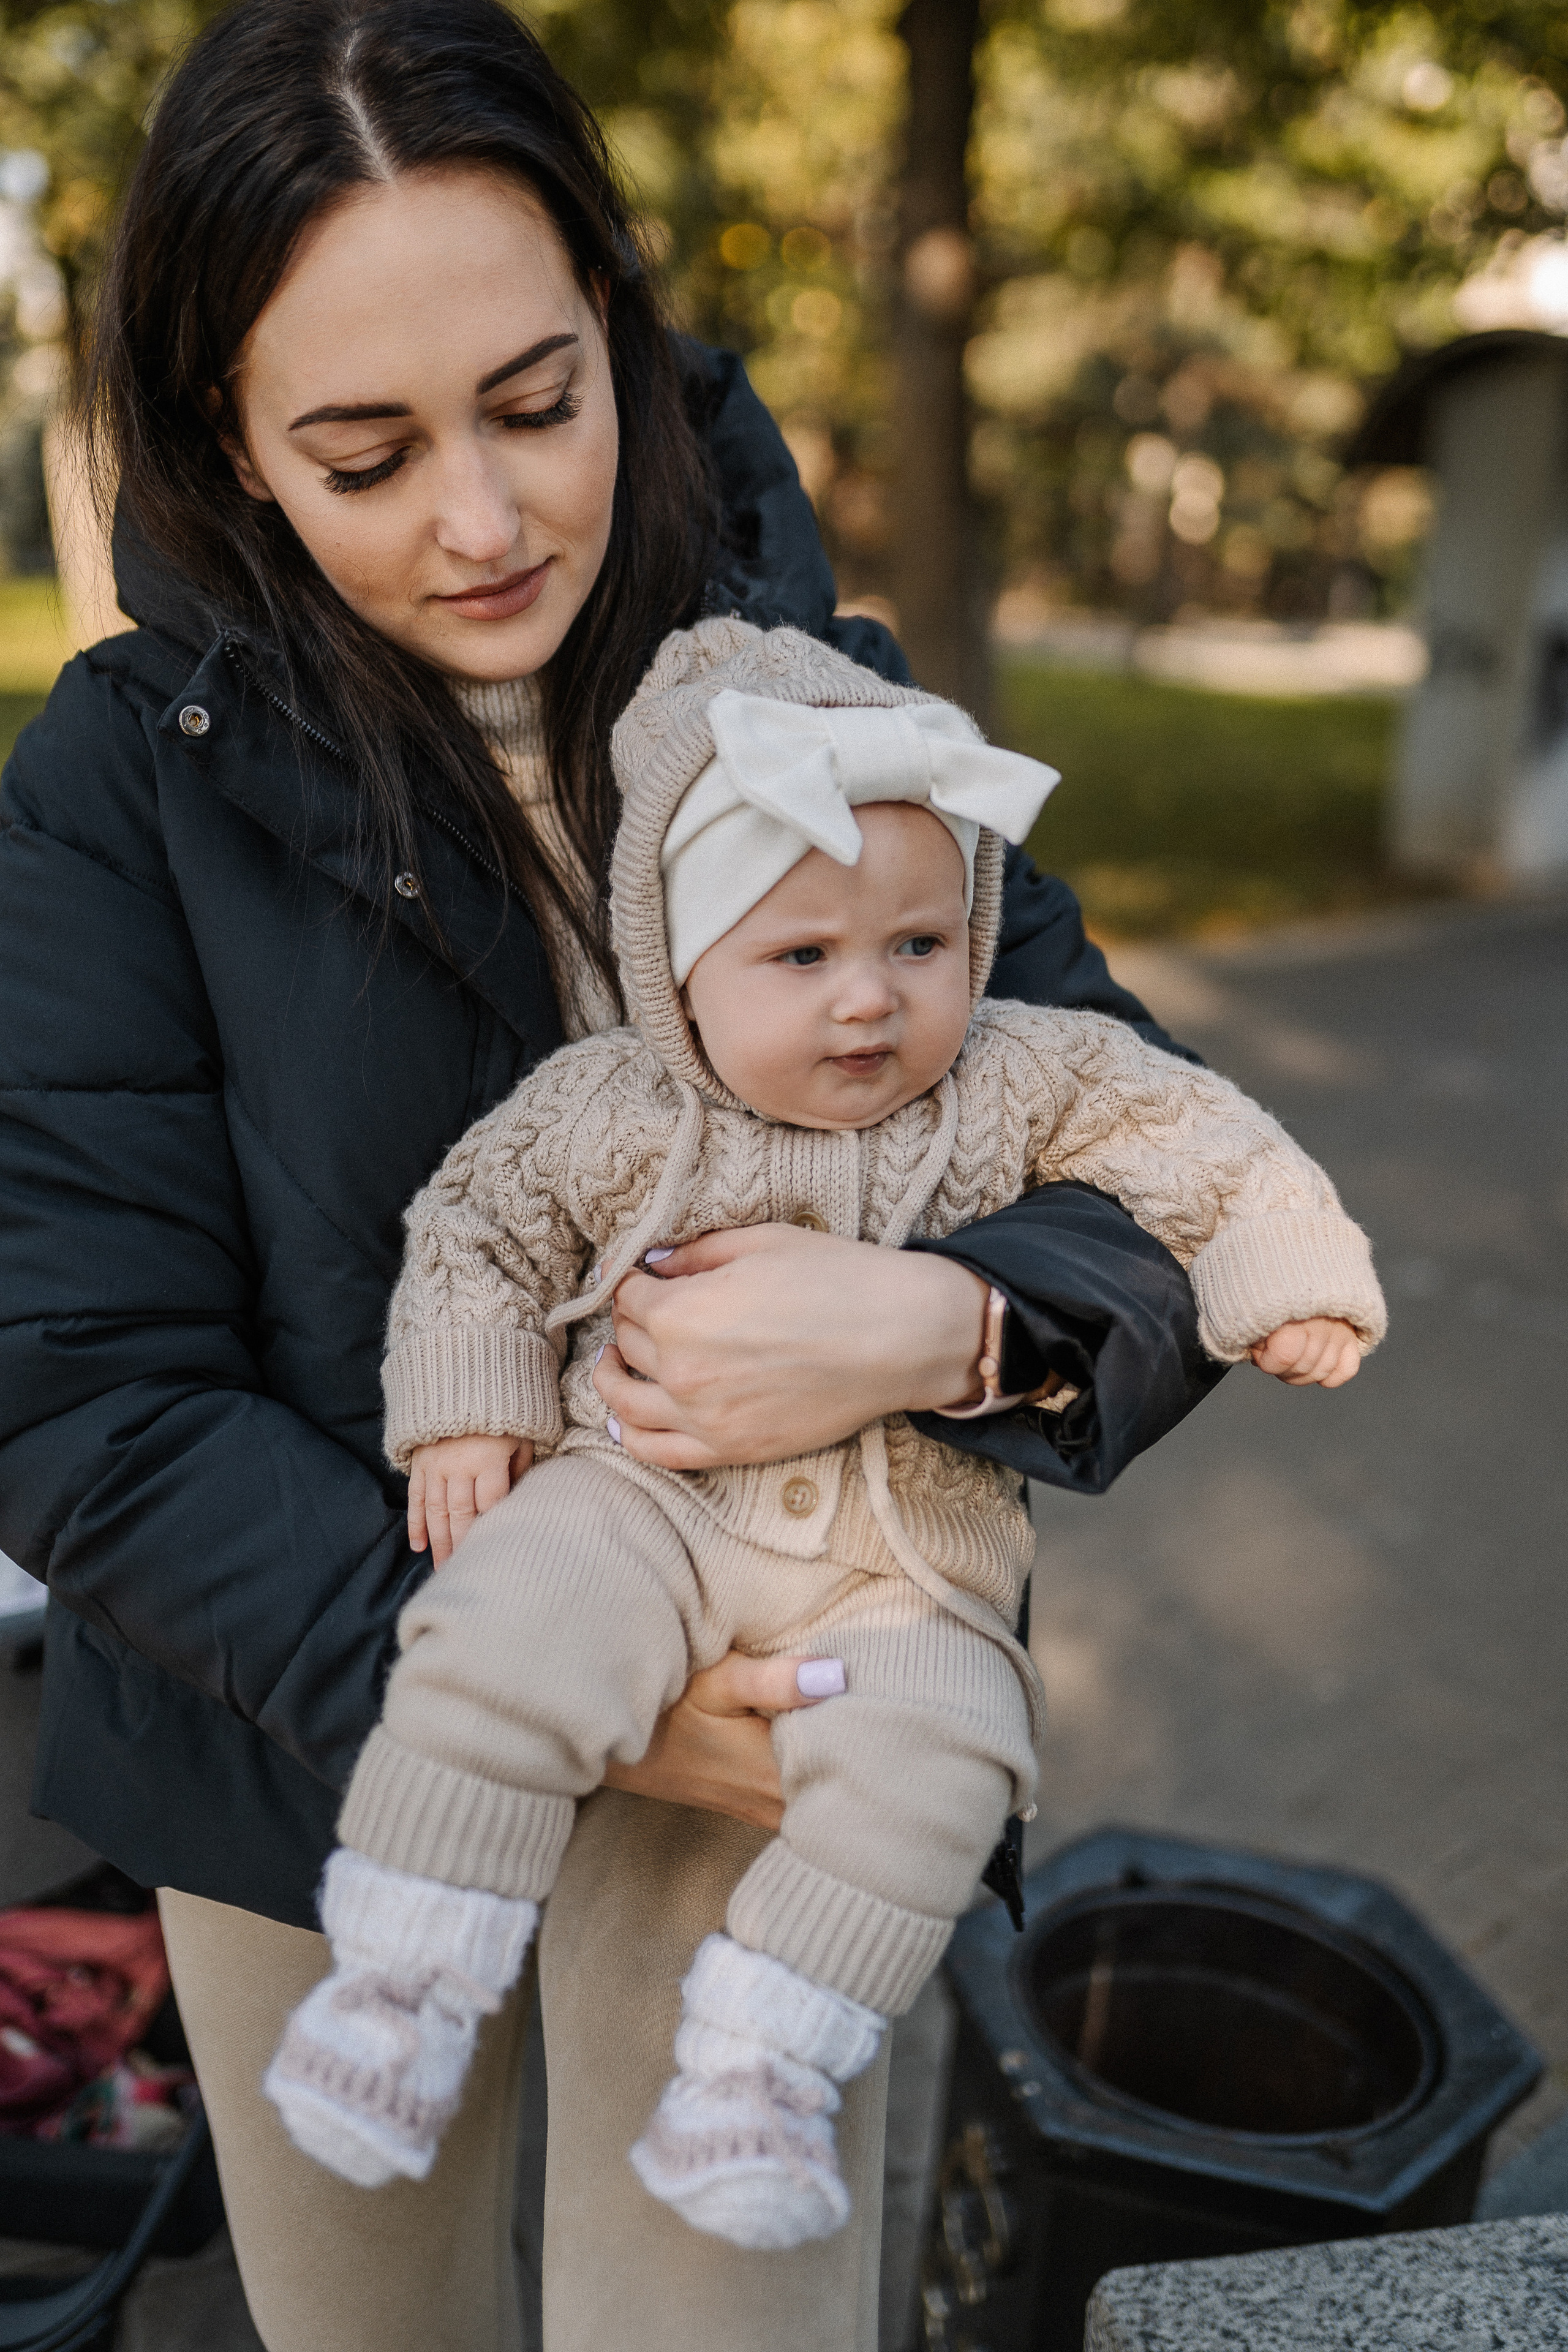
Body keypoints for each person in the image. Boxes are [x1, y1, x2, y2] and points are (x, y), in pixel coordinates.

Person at [0, 2, 1235, 2346]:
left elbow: (1150, 1159)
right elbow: (80, 1393)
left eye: (537, 405)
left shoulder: (832, 706)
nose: (481, 523)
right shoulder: (111, 800)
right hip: (315, 1757)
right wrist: (527, 1693)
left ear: (624, 343)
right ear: (228, 450)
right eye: (363, 456)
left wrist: (962, 1320)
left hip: (764, 1769)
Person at [263, 617, 1383, 2244]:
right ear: (679, 966)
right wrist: (470, 1412)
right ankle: (403, 1982)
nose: (869, 1001)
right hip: (639, 1508)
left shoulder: (1019, 1076)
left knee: (950, 1764)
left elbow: (1193, 1128)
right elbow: (480, 1233)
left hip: (895, 1573)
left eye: (919, 946)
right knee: (502, 1630)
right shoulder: (609, 1106)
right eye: (800, 959)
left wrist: (1285, 1279)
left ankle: (761, 2072)